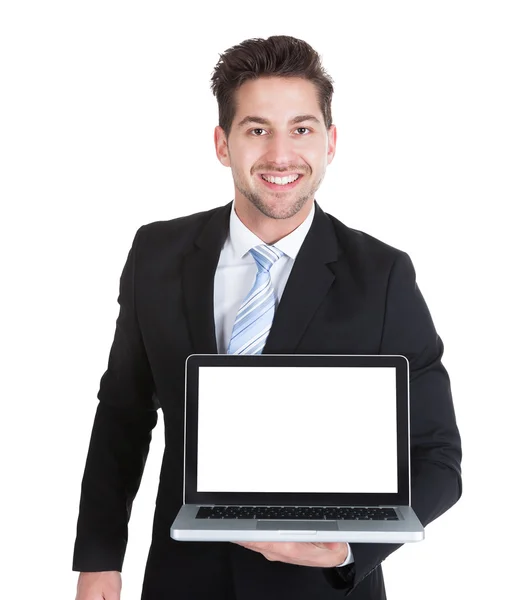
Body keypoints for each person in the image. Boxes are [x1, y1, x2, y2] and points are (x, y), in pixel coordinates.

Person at [73, 35, 462, 600]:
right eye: (257, 130)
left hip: (323, 588)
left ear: (331, 142)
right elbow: (123, 416)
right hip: (184, 580)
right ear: (222, 143)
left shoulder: (382, 276)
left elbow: (438, 455)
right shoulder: (157, 253)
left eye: (301, 129)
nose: (281, 155)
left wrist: (351, 549)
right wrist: (99, 559)